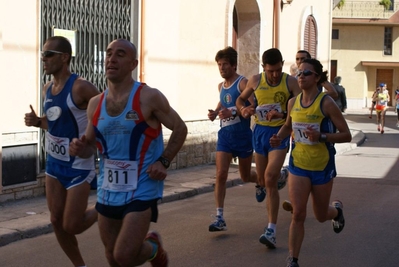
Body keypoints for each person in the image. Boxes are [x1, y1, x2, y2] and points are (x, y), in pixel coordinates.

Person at [69, 38, 187, 267]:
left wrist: (163, 161)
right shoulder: (95, 103)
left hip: (142, 186)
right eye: (109, 53)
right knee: (112, 257)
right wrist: (81, 148)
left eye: (120, 54)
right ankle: (150, 245)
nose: (112, 58)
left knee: (123, 255)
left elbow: (180, 128)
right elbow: (91, 146)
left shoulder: (148, 97)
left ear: (133, 64)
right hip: (108, 189)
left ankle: (153, 248)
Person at [24, 36, 100, 267]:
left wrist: (87, 141)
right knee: (56, 220)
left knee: (72, 225)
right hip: (54, 164)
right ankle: (80, 265)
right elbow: (55, 122)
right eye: (42, 54)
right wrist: (38, 122)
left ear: (64, 57)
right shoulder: (48, 88)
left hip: (78, 165)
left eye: (48, 54)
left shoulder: (81, 87)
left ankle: (106, 203)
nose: (43, 59)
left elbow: (102, 113)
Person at [270, 58, 352, 267]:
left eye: (306, 73)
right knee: (298, 213)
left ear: (317, 78)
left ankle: (337, 212)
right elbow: (288, 126)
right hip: (298, 166)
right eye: (299, 72)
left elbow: (346, 135)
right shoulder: (292, 102)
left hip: (322, 166)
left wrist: (322, 137)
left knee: (321, 214)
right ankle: (293, 259)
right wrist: (279, 136)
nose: (301, 76)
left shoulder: (326, 102)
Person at [236, 48, 301, 249]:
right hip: (260, 132)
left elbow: (300, 106)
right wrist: (244, 109)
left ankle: (271, 230)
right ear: (263, 67)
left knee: (269, 179)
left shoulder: (290, 82)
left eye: (278, 70)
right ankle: (281, 176)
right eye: (271, 71)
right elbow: (240, 100)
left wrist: (282, 116)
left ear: (282, 65)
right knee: (263, 180)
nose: (274, 75)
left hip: (279, 134)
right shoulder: (255, 80)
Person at [207, 47, 258, 232]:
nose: (221, 68)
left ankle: (265, 182)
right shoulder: (221, 86)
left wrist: (234, 111)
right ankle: (219, 217)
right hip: (225, 136)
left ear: (234, 64)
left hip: (243, 136)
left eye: (225, 64)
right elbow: (223, 102)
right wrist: (215, 113)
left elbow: (253, 105)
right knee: (221, 174)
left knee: (246, 176)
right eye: (219, 65)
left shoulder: (242, 83)